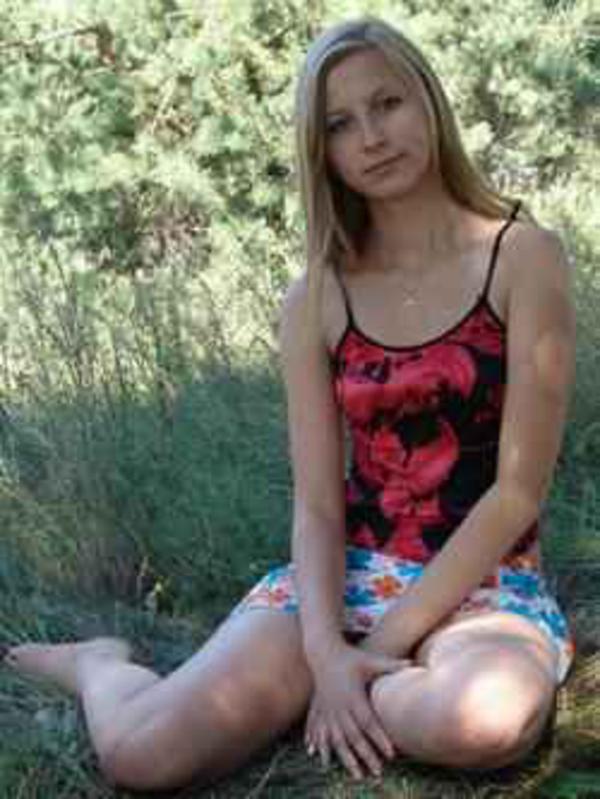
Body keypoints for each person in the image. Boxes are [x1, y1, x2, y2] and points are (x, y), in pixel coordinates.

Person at [2, 15, 575, 791]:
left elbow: (516, 494)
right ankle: (101, 663)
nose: (372, 136)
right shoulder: (315, 297)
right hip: (346, 576)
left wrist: (364, 656)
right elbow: (317, 505)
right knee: (141, 755)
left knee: (483, 723)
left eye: (388, 103)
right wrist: (325, 647)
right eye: (340, 123)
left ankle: (329, 695)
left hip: (487, 587)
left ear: (429, 102)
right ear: (321, 150)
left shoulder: (524, 255)